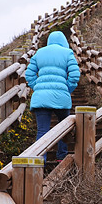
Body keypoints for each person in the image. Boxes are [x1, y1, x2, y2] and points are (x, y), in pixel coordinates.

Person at [24, 30, 80, 161]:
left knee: (42, 131)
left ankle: (39, 161)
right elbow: (75, 75)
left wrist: (38, 87)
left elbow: (29, 74)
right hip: (61, 97)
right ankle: (61, 157)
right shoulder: (67, 53)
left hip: (41, 97)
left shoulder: (39, 53)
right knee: (63, 128)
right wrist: (66, 89)